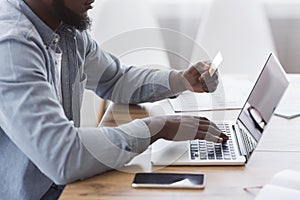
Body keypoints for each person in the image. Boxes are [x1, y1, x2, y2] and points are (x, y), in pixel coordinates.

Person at [0, 0, 228, 199]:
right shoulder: (12, 46)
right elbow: (64, 156)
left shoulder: (66, 30)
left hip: (64, 188)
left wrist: (182, 81)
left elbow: (116, 79)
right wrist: (157, 128)